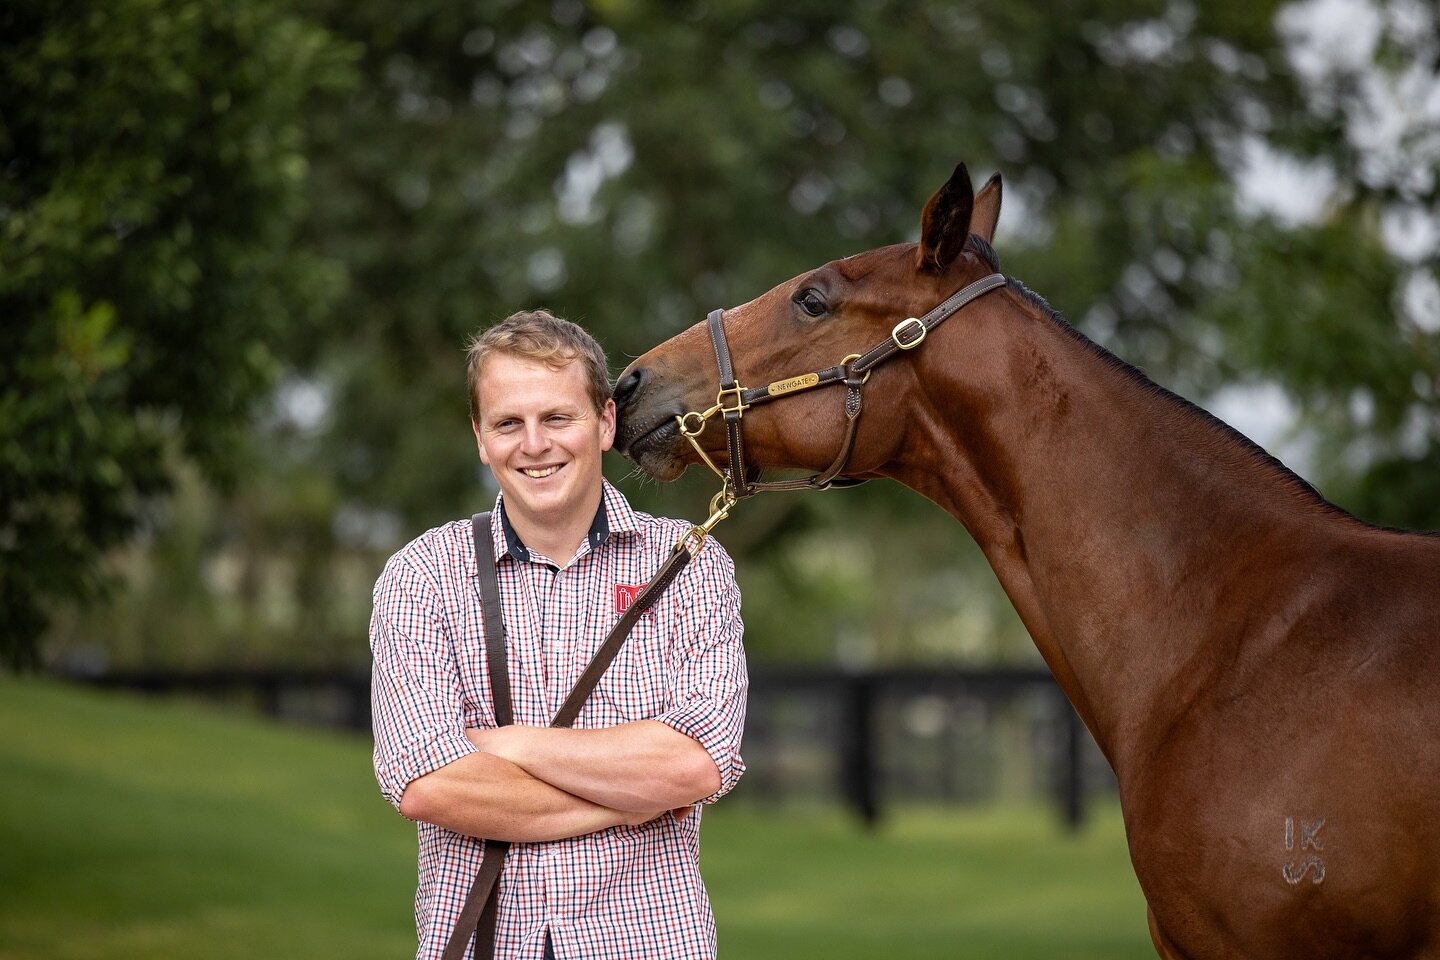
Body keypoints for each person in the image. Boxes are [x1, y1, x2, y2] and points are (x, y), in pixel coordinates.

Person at [369, 309, 748, 960]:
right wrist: (634, 803)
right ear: (480, 438)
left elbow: (695, 761)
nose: (534, 444)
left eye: (557, 418)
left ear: (604, 422)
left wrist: (503, 746)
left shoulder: (688, 563)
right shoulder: (422, 576)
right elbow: (429, 784)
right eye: (508, 423)